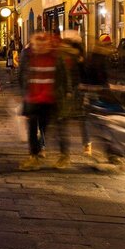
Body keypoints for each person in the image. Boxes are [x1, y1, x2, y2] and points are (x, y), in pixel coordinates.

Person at [18, 32, 79, 171]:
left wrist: (67, 92)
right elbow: (22, 74)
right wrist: (23, 93)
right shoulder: (28, 55)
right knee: (32, 129)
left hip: (53, 99)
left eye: (43, 44)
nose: (40, 47)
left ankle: (64, 156)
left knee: (58, 129)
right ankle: (34, 156)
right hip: (33, 98)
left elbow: (64, 75)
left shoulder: (56, 56)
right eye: (37, 44)